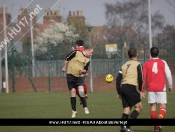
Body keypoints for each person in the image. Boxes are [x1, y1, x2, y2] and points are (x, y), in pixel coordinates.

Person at [142, 47, 173, 132]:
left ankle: (155, 128)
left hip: (151, 88)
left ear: (150, 54)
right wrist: (170, 86)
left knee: (153, 107)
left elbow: (143, 78)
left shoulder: (146, 63)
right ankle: (160, 120)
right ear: (158, 53)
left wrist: (142, 90)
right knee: (162, 106)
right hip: (161, 88)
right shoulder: (163, 62)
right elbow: (169, 75)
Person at [116, 48, 144, 132]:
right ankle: (127, 127)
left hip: (123, 88)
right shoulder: (138, 64)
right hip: (130, 87)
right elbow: (140, 78)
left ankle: (123, 128)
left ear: (128, 55)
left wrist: (118, 91)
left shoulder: (124, 65)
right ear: (137, 54)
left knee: (127, 109)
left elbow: (118, 79)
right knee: (139, 108)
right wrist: (141, 90)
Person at [62, 46, 93, 118]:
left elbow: (85, 70)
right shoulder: (76, 53)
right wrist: (64, 67)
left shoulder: (87, 60)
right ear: (87, 51)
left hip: (80, 77)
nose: (91, 54)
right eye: (91, 52)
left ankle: (85, 107)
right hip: (70, 75)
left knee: (81, 91)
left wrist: (83, 71)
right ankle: (74, 111)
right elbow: (67, 58)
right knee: (72, 92)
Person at [72, 40, 88, 105]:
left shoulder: (77, 50)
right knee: (83, 83)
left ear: (77, 45)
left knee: (75, 87)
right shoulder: (85, 50)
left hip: (78, 70)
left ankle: (82, 96)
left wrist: (73, 51)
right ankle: (84, 94)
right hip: (85, 70)